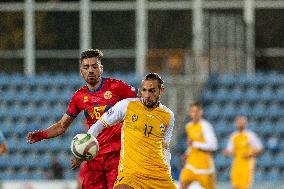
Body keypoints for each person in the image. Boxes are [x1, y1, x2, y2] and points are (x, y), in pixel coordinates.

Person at [26, 49, 138, 189]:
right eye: (86, 67)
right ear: (81, 71)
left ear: (101, 68)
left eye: (94, 66)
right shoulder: (79, 96)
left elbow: (142, 105)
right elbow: (62, 125)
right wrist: (42, 135)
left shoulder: (117, 87)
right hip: (94, 157)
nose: (90, 70)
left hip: (118, 156)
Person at [88, 73, 176, 189]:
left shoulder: (168, 116)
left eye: (152, 91)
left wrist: (168, 170)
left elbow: (165, 147)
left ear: (161, 90)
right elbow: (99, 124)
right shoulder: (127, 106)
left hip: (159, 175)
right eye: (144, 90)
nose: (147, 95)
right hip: (132, 174)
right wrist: (86, 142)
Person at [179, 102, 218, 189]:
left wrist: (195, 144)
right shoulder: (189, 126)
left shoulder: (205, 126)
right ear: (189, 113)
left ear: (201, 112)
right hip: (191, 163)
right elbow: (191, 145)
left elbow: (213, 145)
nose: (195, 113)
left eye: (197, 111)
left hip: (204, 166)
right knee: (183, 183)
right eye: (192, 111)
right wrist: (187, 153)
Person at [223, 116, 263, 189]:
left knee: (245, 186)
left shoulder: (250, 135)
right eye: (238, 122)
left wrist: (250, 154)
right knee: (235, 185)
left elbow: (260, 149)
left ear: (245, 123)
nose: (240, 124)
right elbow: (229, 149)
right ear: (235, 124)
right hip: (236, 164)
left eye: (242, 122)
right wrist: (227, 152)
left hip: (247, 164)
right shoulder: (233, 136)